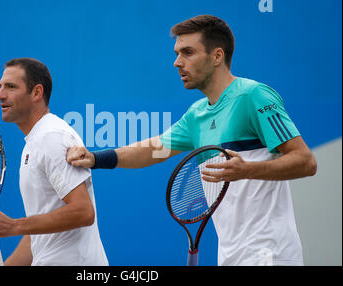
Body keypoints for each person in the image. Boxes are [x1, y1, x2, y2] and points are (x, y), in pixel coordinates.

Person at [66, 15, 317, 266]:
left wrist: (248, 169)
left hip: (269, 255)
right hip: (230, 257)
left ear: (217, 56)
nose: (177, 63)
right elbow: (152, 150)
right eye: (177, 53)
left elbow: (305, 161)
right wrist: (96, 158)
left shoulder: (254, 96)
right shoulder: (196, 115)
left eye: (188, 52)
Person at [0, 58, 108, 266]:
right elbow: (38, 233)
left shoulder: (51, 137)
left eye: (10, 87)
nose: (0, 95)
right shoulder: (36, 141)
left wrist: (14, 225)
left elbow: (83, 211)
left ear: (36, 92)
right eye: (0, 87)